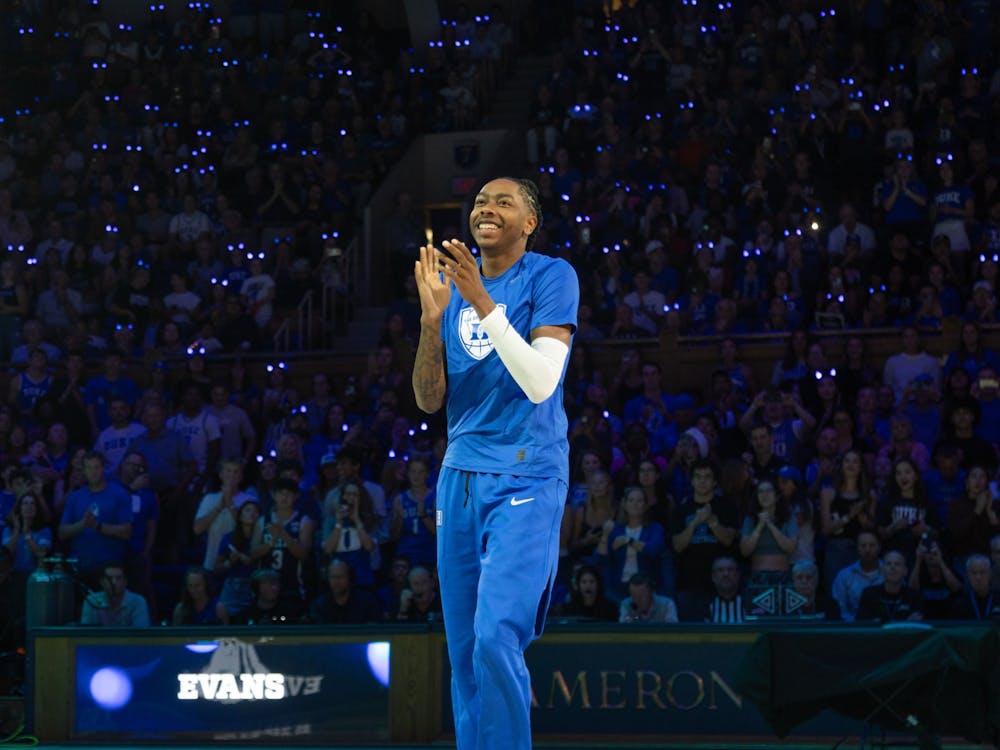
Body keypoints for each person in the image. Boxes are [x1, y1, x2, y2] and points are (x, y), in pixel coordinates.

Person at [412, 176, 578, 750]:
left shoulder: (552, 275)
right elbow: (429, 399)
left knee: (493, 637)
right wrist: (432, 323)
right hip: (458, 478)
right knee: (464, 656)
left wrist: (481, 299)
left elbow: (538, 382)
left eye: (504, 201)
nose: (487, 209)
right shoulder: (451, 289)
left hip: (528, 475)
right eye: (481, 201)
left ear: (529, 223)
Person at [58, 452, 133, 588]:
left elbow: (127, 531)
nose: (93, 472)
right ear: (84, 471)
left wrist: (98, 526)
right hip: (80, 568)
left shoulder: (119, 494)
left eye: (97, 467)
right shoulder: (75, 497)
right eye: (89, 468)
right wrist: (82, 525)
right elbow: (62, 532)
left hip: (110, 570)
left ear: (103, 468)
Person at [855, 550, 924, 623]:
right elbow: (861, 623)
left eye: (897, 564)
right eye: (888, 564)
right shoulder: (869, 594)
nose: (892, 567)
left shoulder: (914, 597)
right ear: (882, 570)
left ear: (905, 571)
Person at [309, 559, 384, 624]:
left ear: (350, 578)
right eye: (333, 577)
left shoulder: (367, 601)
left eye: (340, 577)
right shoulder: (319, 605)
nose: (336, 582)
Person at [831, 531, 885, 621]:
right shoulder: (844, 576)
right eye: (863, 546)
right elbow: (840, 611)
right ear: (857, 548)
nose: (867, 550)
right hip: (853, 629)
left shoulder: (890, 572)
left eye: (872, 545)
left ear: (879, 547)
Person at [80, 561, 150, 627]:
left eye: (118, 578)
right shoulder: (91, 601)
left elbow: (141, 635)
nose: (113, 582)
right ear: (102, 582)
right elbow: (85, 634)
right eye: (109, 578)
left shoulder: (137, 602)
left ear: (125, 582)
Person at [950, 555, 1000, 620]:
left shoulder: (998, 600)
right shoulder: (960, 604)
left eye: (982, 572)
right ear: (967, 575)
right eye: (974, 573)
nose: (978, 577)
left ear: (990, 574)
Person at [705, 556, 745, 623]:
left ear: (738, 575)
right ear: (713, 577)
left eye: (730, 570)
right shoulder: (703, 604)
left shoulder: (750, 603)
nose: (725, 574)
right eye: (720, 570)